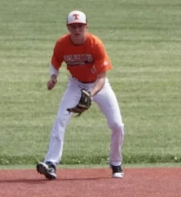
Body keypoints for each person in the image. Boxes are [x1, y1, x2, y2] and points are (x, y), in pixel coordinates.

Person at [37, 10, 125, 180]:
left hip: (99, 86)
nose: (77, 30)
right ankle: (51, 163)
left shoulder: (95, 44)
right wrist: (53, 77)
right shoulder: (62, 44)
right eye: (73, 26)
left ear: (86, 26)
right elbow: (55, 62)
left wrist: (89, 95)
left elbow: (101, 78)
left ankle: (115, 162)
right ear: (68, 27)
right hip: (76, 84)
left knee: (117, 125)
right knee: (60, 120)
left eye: (80, 26)